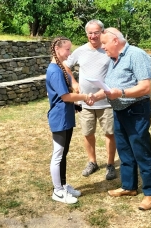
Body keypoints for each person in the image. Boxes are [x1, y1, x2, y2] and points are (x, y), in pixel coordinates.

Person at [91, 27, 151, 210]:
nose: (102, 47)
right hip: (119, 111)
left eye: (104, 43)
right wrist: (96, 96)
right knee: (125, 150)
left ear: (115, 40)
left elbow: (145, 87)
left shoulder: (136, 54)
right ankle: (129, 187)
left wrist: (120, 92)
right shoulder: (113, 59)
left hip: (136, 111)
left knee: (141, 151)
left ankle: (150, 193)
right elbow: (111, 86)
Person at [64, 19, 117, 180]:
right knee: (88, 133)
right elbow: (66, 65)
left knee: (110, 133)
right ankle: (92, 162)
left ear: (102, 32)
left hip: (106, 101)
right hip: (85, 102)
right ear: (86, 34)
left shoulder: (108, 49)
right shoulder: (80, 51)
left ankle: (110, 164)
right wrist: (73, 82)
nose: (93, 36)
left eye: (96, 32)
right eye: (90, 33)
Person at [46, 36, 93, 204]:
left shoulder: (60, 69)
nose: (69, 53)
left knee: (64, 153)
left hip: (66, 116)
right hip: (59, 118)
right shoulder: (54, 71)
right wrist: (84, 97)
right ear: (57, 50)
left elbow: (65, 95)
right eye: (67, 49)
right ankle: (57, 191)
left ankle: (63, 185)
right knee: (58, 155)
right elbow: (65, 96)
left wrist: (75, 106)